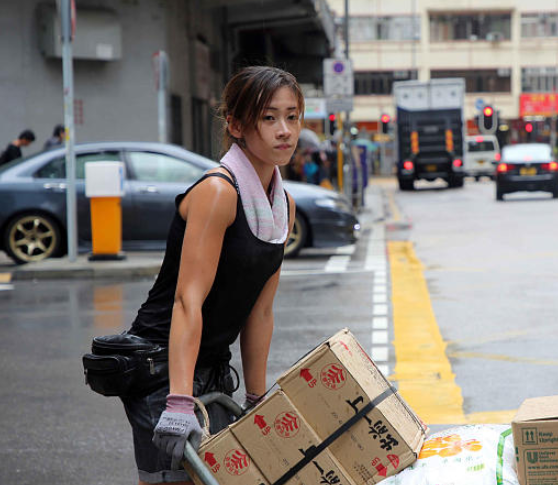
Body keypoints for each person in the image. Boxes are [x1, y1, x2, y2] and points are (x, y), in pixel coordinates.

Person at [121, 65, 303, 485]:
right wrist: (180, 401)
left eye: (292, 116)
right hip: (162, 364)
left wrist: (257, 399)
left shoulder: (282, 206)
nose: (285, 131)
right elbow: (188, 300)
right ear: (237, 125)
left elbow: (259, 312)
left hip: (214, 365)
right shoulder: (218, 192)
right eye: (269, 117)